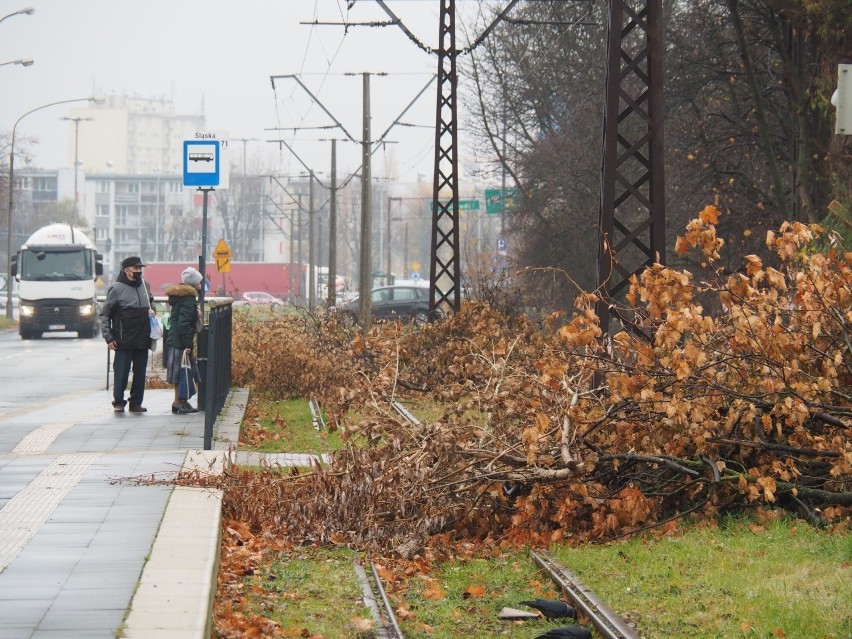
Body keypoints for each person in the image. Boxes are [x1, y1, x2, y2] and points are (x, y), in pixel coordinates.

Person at [100, 256, 155, 413]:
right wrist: (108, 337)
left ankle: (136, 403)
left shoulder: (146, 286)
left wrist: (153, 310)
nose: (138, 271)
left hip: (143, 338)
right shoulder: (116, 289)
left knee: (140, 374)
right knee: (121, 374)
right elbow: (105, 315)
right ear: (126, 270)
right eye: (135, 268)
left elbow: (152, 302)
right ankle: (118, 402)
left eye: (140, 268)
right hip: (122, 340)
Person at [165, 267, 203, 415]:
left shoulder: (183, 297)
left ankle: (184, 401)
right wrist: (188, 344)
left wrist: (195, 313)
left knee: (184, 371)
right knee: (181, 372)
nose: (200, 285)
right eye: (199, 283)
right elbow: (184, 323)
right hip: (180, 341)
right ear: (193, 284)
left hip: (177, 339)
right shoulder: (188, 299)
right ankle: (177, 402)